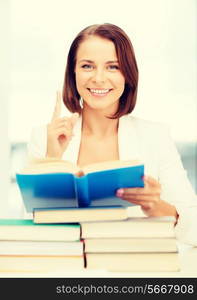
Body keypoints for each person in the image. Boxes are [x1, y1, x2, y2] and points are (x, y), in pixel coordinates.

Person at [28, 23, 197, 245]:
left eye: (113, 67)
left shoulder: (155, 136)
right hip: (69, 274)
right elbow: (33, 232)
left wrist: (155, 206)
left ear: (128, 75)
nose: (98, 78)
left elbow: (193, 228)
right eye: (87, 66)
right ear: (73, 72)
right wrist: (51, 162)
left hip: (135, 271)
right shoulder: (44, 137)